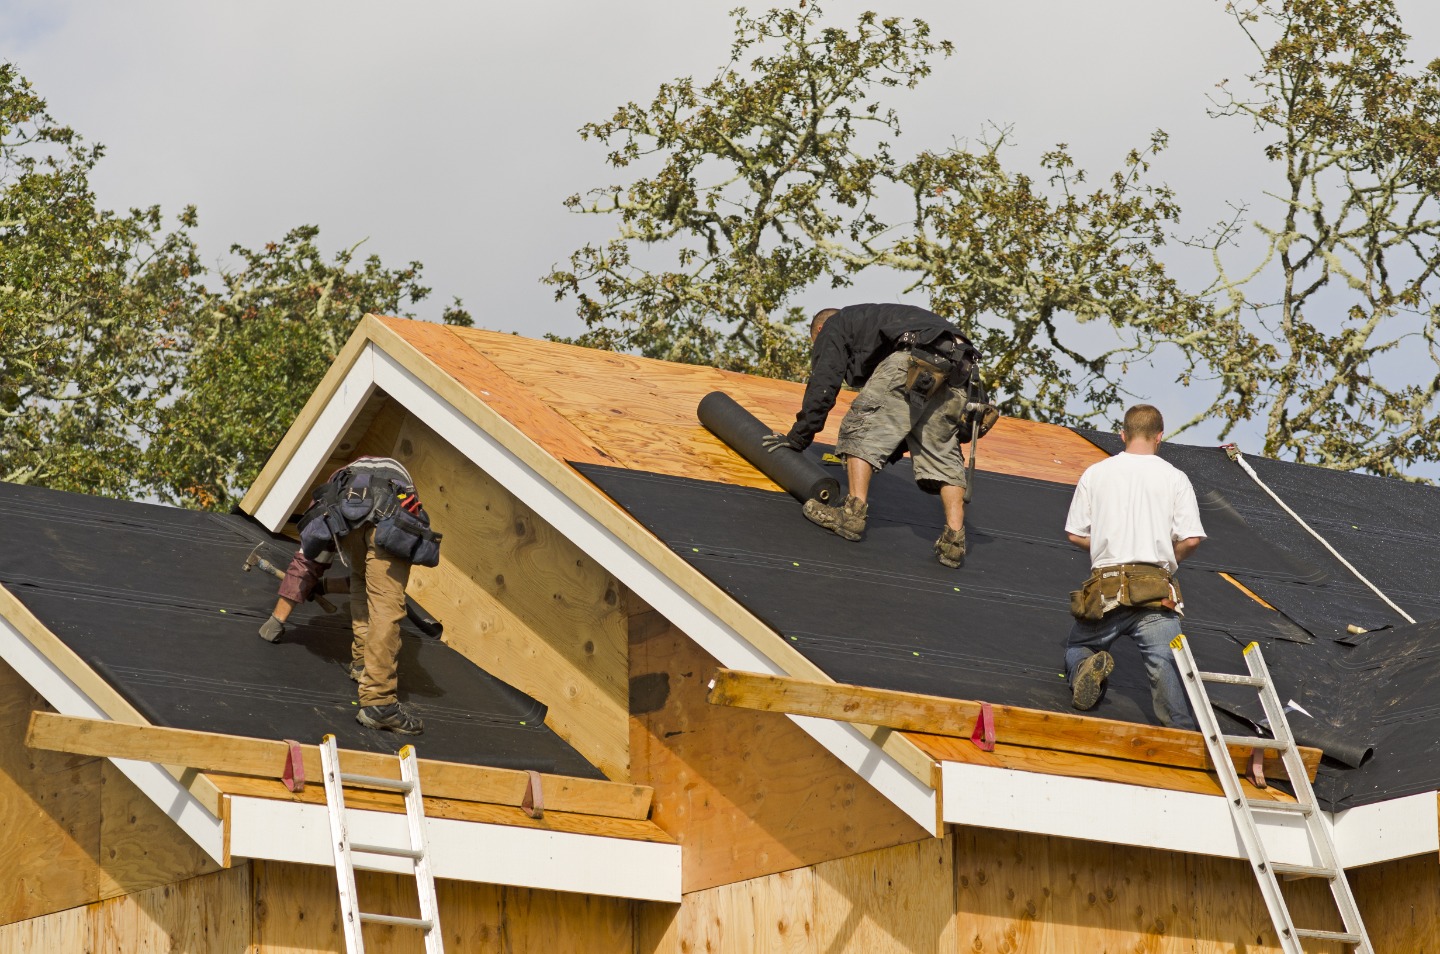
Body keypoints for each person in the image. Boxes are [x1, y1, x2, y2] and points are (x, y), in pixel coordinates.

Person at [762, 303, 995, 568]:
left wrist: (799, 437)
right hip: (962, 373)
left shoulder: (835, 325)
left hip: (919, 358)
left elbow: (824, 382)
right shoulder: (886, 320)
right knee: (942, 452)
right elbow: (903, 420)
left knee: (860, 427)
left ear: (819, 329)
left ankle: (852, 514)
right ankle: (954, 541)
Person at [258, 456, 441, 736]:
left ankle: (361, 663)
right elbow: (377, 587)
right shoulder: (396, 486)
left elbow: (307, 562)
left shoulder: (338, 493)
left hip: (357, 518)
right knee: (385, 607)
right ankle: (378, 701)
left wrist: (277, 619)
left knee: (360, 583)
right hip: (390, 518)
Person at [1063, 405, 1205, 730]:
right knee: (1165, 663)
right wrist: (1170, 559)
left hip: (1106, 586)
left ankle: (1086, 665)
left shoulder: (1096, 473)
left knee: (1079, 645)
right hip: (1155, 587)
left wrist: (1103, 546)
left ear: (1122, 434)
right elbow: (1192, 539)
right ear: (1160, 437)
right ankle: (1179, 730)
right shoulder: (1175, 478)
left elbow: (1075, 533)